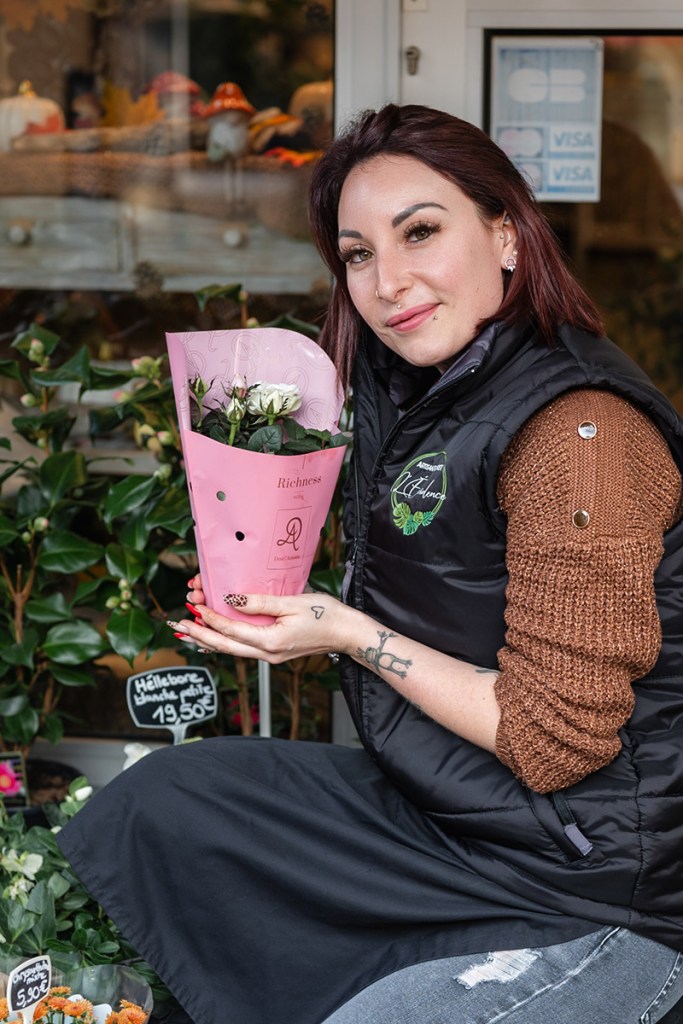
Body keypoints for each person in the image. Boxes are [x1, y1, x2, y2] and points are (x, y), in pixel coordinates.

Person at [57, 104, 683, 1024]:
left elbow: (555, 742)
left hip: (584, 882)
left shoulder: (577, 434)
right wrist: (279, 602)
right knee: (168, 804)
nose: (388, 281)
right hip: (447, 821)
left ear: (506, 235)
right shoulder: (423, 392)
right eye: (357, 254)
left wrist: (343, 631)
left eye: (420, 232)